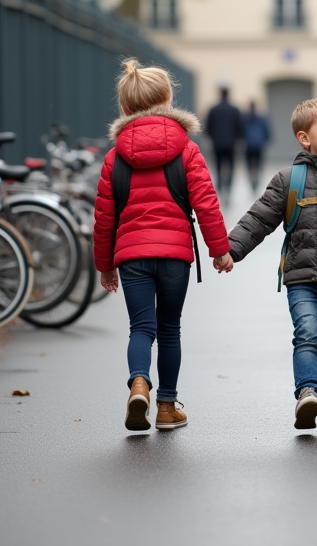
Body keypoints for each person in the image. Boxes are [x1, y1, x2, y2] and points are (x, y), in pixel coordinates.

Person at [93, 59, 231, 432]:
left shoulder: (114, 157)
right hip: (174, 256)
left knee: (141, 328)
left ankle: (139, 382)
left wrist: (104, 264)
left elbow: (105, 217)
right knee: (170, 328)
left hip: (132, 256)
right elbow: (206, 202)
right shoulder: (186, 150)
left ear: (124, 108)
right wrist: (219, 249)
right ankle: (167, 408)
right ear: (169, 101)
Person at [220, 100, 317, 430]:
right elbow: (258, 219)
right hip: (301, 277)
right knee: (306, 334)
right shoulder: (289, 179)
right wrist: (230, 249)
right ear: (304, 138)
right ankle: (308, 392)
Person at [206, 86, 243, 196]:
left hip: (217, 143)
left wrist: (210, 139)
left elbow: (208, 127)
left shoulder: (213, 109)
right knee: (230, 166)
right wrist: (239, 140)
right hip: (231, 143)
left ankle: (220, 186)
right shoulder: (234, 109)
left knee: (218, 165)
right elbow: (239, 127)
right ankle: (229, 187)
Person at [242, 101, 272, 191]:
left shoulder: (245, 118)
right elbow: (267, 130)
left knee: (249, 165)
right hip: (259, 144)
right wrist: (267, 140)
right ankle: (257, 180)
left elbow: (241, 131)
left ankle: (252, 181)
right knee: (258, 164)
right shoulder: (262, 118)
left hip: (248, 145)